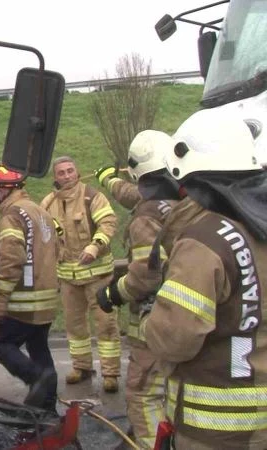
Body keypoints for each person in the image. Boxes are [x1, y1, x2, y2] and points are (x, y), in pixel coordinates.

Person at [140, 108, 267, 449]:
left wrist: (147, 322)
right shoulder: (259, 228)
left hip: (217, 431)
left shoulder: (205, 239)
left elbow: (174, 339)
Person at [94, 130, 181, 449]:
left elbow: (145, 276)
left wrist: (112, 294)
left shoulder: (145, 217)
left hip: (155, 321)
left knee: (144, 394)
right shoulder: (184, 203)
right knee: (172, 392)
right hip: (187, 320)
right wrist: (107, 180)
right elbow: (132, 194)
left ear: (137, 172)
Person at [41, 156, 121, 392]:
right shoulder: (48, 203)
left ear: (77, 172)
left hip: (98, 276)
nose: (67, 176)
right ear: (55, 177)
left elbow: (108, 223)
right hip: (67, 278)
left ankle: (111, 373)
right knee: (75, 327)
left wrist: (95, 246)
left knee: (106, 324)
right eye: (62, 173)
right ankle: (82, 367)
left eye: (70, 171)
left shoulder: (92, 197)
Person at [0, 165, 59, 412]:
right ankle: (46, 407)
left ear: (2, 191)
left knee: (0, 344)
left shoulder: (12, 216)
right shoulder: (40, 212)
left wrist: (0, 301)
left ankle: (35, 379)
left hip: (24, 302)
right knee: (39, 349)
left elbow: (12, 261)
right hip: (47, 300)